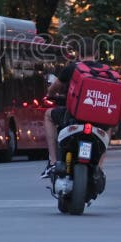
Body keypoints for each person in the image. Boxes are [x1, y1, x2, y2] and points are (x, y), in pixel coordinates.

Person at [41, 41, 102, 178]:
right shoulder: (105, 71)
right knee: (107, 130)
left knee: (48, 115)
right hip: (98, 119)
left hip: (74, 116)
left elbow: (54, 88)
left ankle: (53, 162)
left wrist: (50, 94)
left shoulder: (72, 68)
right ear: (97, 53)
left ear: (78, 54)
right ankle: (99, 168)